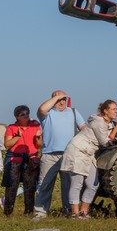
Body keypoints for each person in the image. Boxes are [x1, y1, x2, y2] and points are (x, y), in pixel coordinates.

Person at [61, 100, 117, 219]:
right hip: (78, 151)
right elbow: (105, 142)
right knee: (77, 183)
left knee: (92, 184)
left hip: (89, 153)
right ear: (105, 111)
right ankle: (74, 214)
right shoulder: (98, 122)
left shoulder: (108, 123)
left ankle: (84, 212)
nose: (116, 111)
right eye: (114, 109)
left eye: (116, 109)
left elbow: (110, 137)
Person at [33, 90, 85, 220]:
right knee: (44, 184)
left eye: (63, 99)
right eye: (58, 99)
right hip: (49, 155)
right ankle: (40, 212)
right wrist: (58, 97)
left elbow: (84, 128)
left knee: (68, 185)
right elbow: (42, 109)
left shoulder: (73, 112)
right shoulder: (47, 114)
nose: (61, 102)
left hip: (69, 154)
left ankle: (68, 211)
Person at [2, 105, 42, 216]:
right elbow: (7, 144)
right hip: (15, 157)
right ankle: (8, 212)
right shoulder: (12, 127)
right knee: (11, 186)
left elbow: (39, 145)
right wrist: (17, 137)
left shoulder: (35, 125)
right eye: (22, 114)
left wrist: (38, 137)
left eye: (27, 113)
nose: (26, 116)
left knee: (30, 186)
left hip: (30, 158)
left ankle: (28, 212)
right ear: (17, 116)